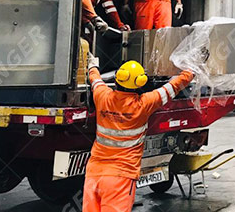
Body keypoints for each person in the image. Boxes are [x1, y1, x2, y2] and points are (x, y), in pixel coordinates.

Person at [83, 57, 194, 212]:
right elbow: (172, 88)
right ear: (141, 85)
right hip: (121, 175)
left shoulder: (102, 96)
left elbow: (95, 80)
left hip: (94, 173)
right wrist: (192, 70)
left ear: (117, 80)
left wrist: (92, 66)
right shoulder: (144, 104)